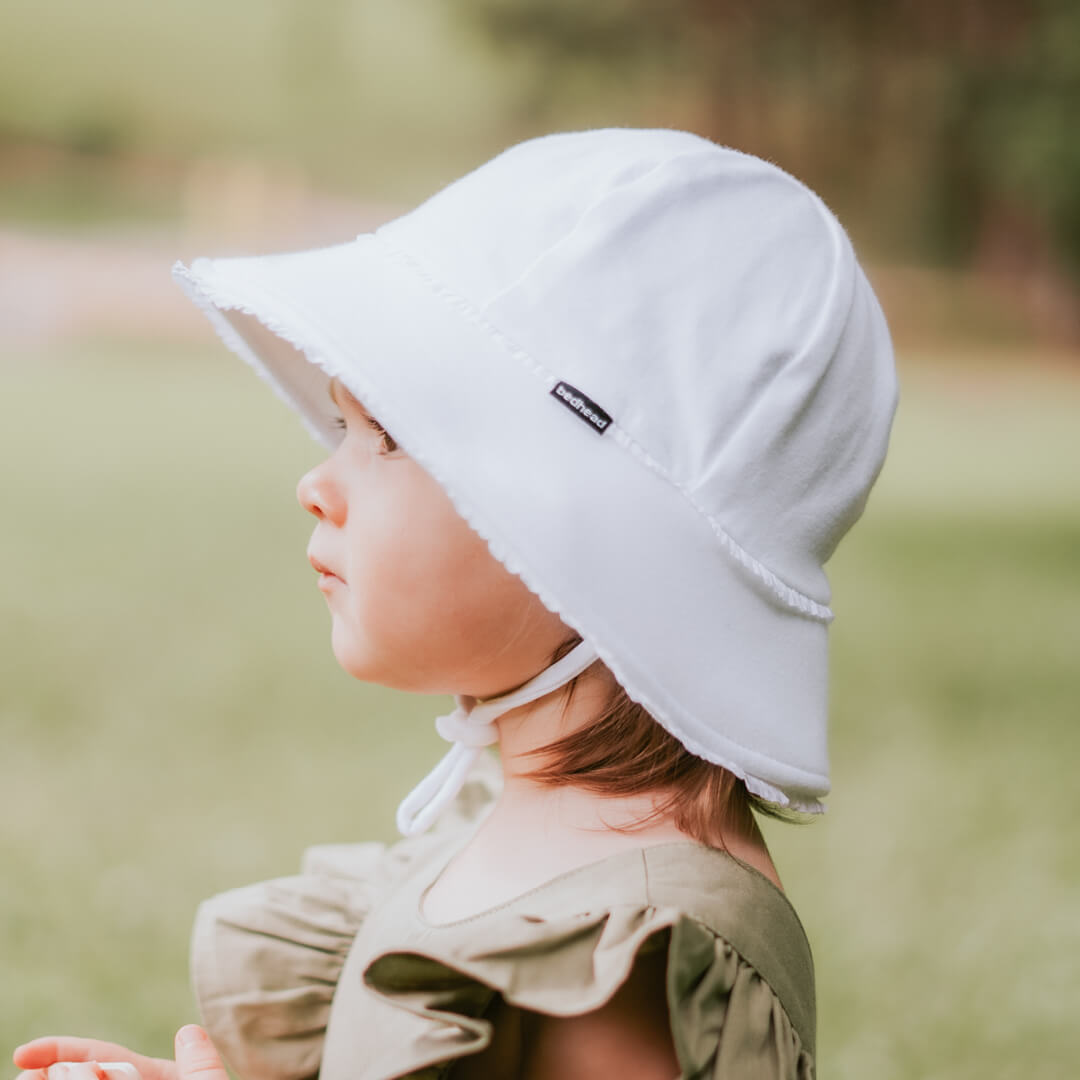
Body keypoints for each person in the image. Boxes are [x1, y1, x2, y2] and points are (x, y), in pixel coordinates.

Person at [13, 127, 897, 1080]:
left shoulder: (620, 955)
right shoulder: (523, 836)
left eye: (386, 436)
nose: (317, 481)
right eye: (342, 423)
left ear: (572, 531)